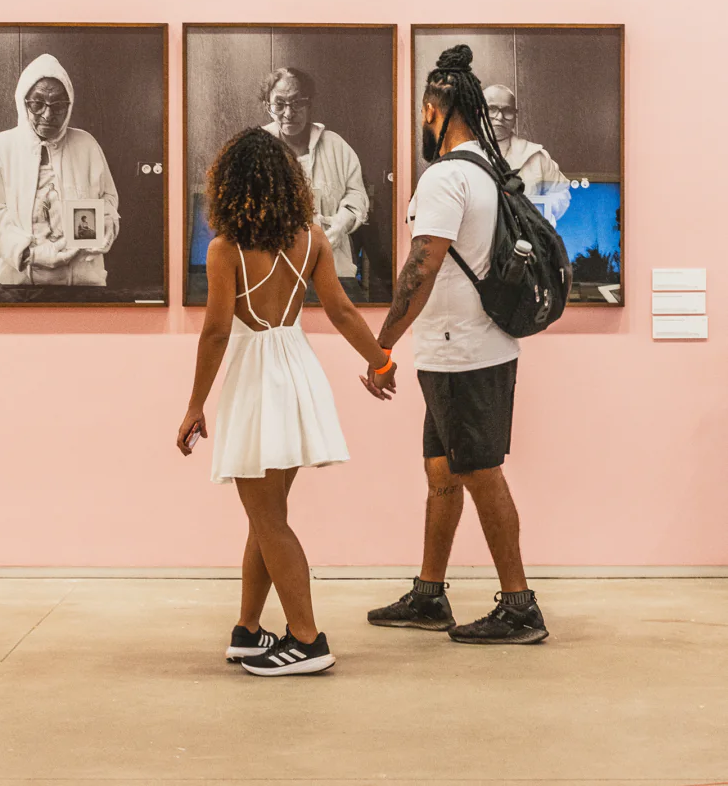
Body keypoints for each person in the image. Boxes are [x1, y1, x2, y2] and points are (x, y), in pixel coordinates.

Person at [176, 127, 393, 676]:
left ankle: (308, 639)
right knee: (265, 516)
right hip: (297, 374)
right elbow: (342, 311)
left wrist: (194, 405)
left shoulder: (226, 250)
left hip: (255, 379)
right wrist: (381, 359)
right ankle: (248, 631)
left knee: (269, 520)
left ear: (231, 185)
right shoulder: (312, 237)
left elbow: (217, 333)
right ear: (288, 183)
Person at [364, 46, 548, 645]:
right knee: (442, 470)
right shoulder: (488, 172)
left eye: (425, 111)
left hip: (461, 353)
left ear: (435, 110)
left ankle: (520, 607)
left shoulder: (446, 177)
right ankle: (429, 593)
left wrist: (381, 344)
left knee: (481, 473)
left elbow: (421, 266)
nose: (422, 121)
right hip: (464, 349)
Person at [0, 54, 119, 296]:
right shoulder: (1, 147)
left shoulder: (86, 144)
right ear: (22, 101)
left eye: (58, 105)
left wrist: (105, 227)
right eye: (37, 103)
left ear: (69, 105)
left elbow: (108, 201)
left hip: (82, 286)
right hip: (15, 288)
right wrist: (31, 253)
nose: (48, 115)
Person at [261, 68, 369, 300]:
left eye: (297, 102)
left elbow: (356, 194)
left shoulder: (335, 146)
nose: (289, 112)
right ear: (267, 106)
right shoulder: (256, 148)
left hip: (334, 270)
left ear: (309, 104)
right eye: (279, 104)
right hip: (274, 274)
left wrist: (342, 223)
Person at [483, 84, 571, 226]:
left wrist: (538, 211)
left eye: (508, 111)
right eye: (492, 109)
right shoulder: (465, 154)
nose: (499, 117)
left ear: (515, 116)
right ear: (478, 111)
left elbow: (562, 193)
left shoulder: (537, 157)